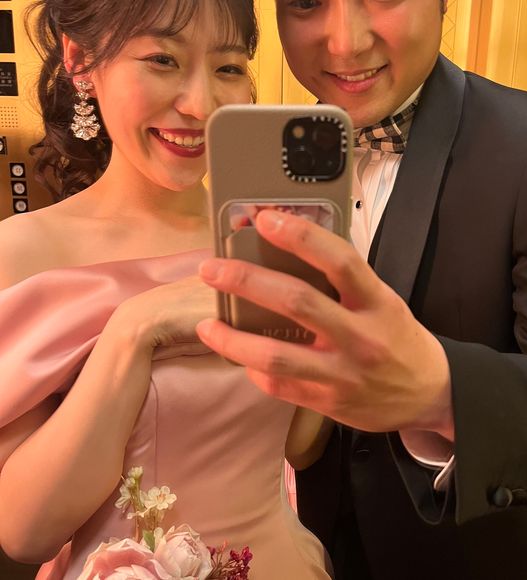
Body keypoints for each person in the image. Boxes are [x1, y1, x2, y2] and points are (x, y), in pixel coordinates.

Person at [195, 0, 527, 579]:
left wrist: (441, 394)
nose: (345, 43)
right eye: (306, 2)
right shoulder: (275, 156)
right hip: (321, 551)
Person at [0, 1, 332, 578]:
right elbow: (26, 532)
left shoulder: (268, 234)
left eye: (228, 68)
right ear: (80, 61)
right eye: (162, 59)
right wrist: (136, 330)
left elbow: (300, 445)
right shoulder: (24, 254)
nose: (201, 104)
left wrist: (325, 311)